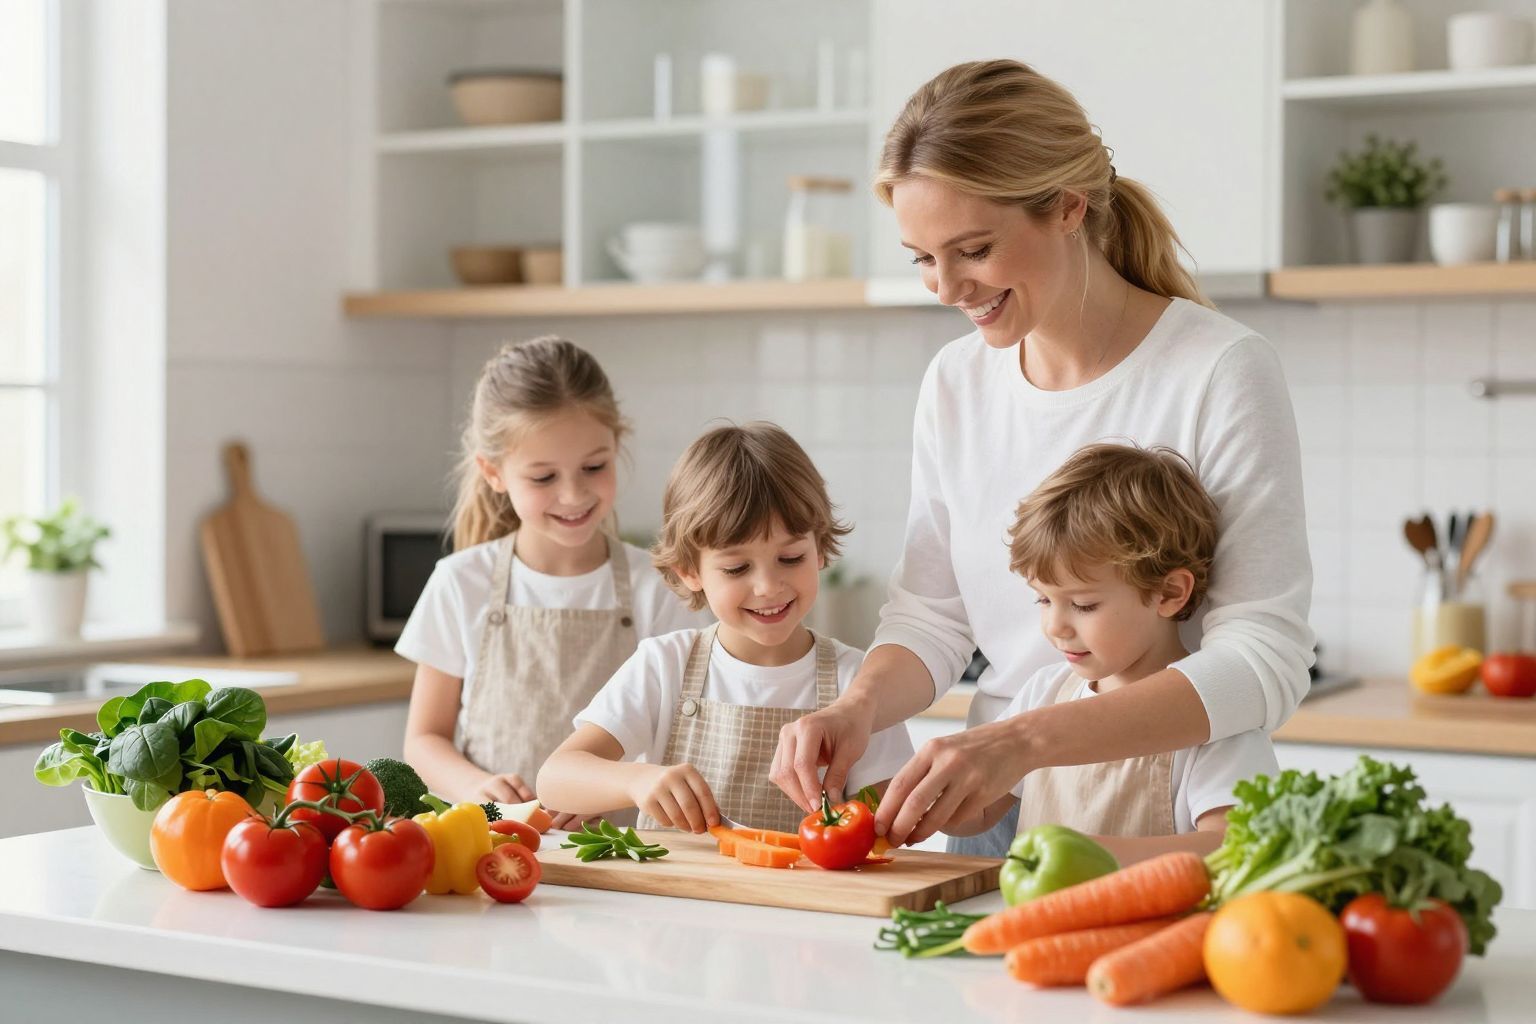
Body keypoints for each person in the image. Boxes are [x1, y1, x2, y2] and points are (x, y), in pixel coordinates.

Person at [770, 58, 1313, 855]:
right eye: (922, 257)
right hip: (992, 815)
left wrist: (1027, 741)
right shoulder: (957, 380)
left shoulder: (1218, 370)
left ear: (1066, 207)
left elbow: (1264, 659)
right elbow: (931, 616)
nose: (946, 286)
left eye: (973, 249)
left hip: (1163, 811)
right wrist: (857, 709)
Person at [538, 422, 914, 833]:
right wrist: (636, 780)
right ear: (689, 572)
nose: (769, 587)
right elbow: (555, 778)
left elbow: (887, 823)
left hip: (804, 898)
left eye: (791, 558)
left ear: (820, 549)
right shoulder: (665, 664)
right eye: (737, 568)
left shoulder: (859, 684)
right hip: (674, 898)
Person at [398, 337, 706, 827]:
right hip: (494, 843)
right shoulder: (461, 583)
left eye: (594, 467)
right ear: (493, 472)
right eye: (543, 477)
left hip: (622, 855)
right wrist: (475, 788)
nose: (573, 494)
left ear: (616, 447)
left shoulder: (658, 588)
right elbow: (424, 740)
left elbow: (682, 735)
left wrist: (607, 786)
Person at [947, 443, 1277, 863]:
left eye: (1083, 605)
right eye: (1043, 601)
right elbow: (979, 814)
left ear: (1170, 593)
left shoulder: (1218, 724)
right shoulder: (1044, 693)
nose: (1054, 627)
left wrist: (1090, 857)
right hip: (1039, 926)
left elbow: (1237, 847)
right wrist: (925, 795)